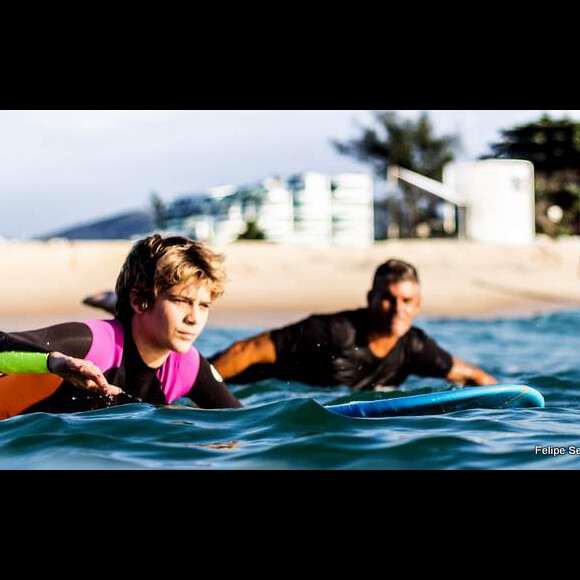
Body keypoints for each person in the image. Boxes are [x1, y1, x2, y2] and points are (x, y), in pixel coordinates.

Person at [0, 235, 242, 416]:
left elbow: (238, 427)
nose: (194, 318)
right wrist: (52, 362)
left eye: (204, 306)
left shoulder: (186, 365)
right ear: (139, 300)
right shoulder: (94, 343)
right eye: (181, 301)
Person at [208, 259, 498, 391]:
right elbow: (248, 349)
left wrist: (508, 413)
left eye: (407, 301)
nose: (398, 309)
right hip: (247, 389)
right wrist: (198, 391)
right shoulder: (335, 331)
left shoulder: (415, 346)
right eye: (388, 299)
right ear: (370, 298)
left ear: (418, 304)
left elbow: (473, 376)